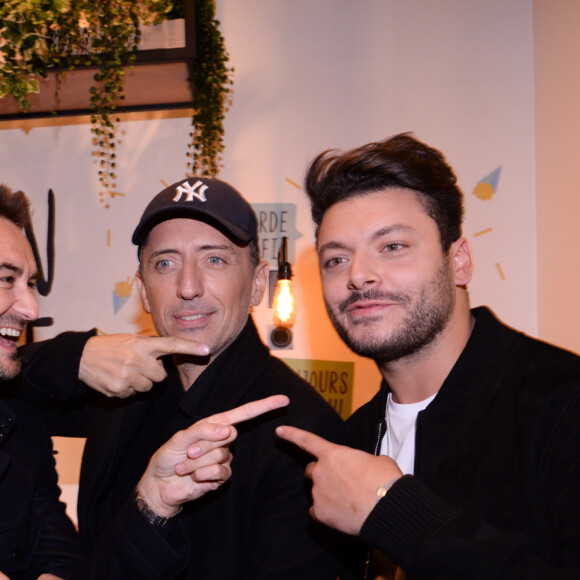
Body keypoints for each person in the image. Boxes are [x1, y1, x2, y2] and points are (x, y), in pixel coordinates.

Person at [277, 133, 580, 579]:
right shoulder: (348, 443)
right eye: (336, 259)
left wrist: (395, 512)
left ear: (459, 261)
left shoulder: (562, 403)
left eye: (392, 246)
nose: (359, 275)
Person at [22, 177, 346, 579]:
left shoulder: (298, 432)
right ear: (142, 290)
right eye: (165, 263)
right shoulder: (126, 389)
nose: (187, 287)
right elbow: (11, 391)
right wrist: (77, 355)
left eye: (214, 260)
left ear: (258, 283)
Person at [0, 184, 83, 579]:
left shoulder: (20, 416)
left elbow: (59, 550)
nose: (31, 309)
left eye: (30, 283)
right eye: (5, 278)